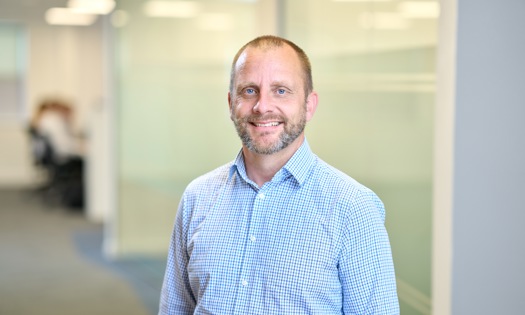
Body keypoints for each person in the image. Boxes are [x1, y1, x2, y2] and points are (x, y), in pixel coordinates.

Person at [159, 35, 399, 314]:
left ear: (309, 105)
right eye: (249, 91)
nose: (262, 106)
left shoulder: (352, 208)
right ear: (230, 103)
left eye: (281, 91)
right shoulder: (197, 198)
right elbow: (175, 308)